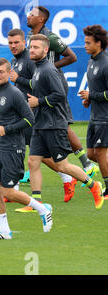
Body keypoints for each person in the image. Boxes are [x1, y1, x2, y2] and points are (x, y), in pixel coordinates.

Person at [0, 58, 52, 239]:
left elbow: (30, 119)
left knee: (8, 192)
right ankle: (4, 231)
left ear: (8, 73)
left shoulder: (15, 93)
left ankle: (42, 209)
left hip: (14, 148)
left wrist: (7, 129)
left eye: (1, 72)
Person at [26, 6, 99, 199]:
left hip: (53, 84)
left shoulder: (50, 37)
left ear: (41, 18)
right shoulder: (32, 38)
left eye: (32, 14)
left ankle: (87, 166)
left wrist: (50, 66)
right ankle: (37, 200)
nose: (28, 16)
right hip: (41, 85)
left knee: (62, 124)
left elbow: (71, 56)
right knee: (34, 158)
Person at [8, 28, 76, 207]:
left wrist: (18, 80)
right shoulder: (17, 61)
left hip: (34, 114)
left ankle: (69, 178)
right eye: (10, 43)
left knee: (40, 156)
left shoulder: (32, 61)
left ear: (24, 42)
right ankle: (16, 190)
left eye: (16, 42)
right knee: (25, 153)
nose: (13, 46)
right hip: (24, 112)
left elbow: (35, 84)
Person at [80, 25, 108, 199]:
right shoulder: (91, 61)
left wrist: (93, 95)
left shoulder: (106, 63)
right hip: (94, 114)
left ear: (99, 43)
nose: (85, 45)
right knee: (91, 154)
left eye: (88, 42)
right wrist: (89, 99)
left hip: (105, 116)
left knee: (100, 152)